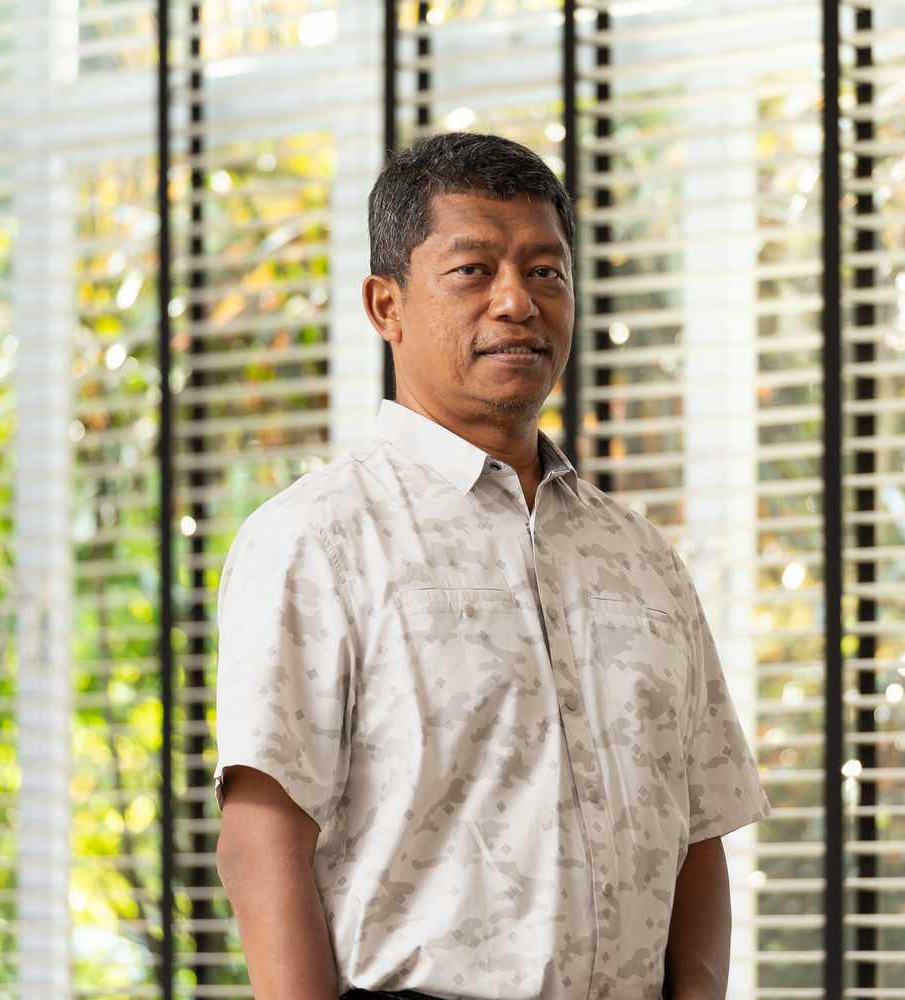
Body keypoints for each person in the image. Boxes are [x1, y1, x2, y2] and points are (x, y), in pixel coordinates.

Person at [213, 132, 769, 1000]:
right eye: (473, 271)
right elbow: (260, 844)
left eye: (547, 271)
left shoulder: (642, 559)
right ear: (385, 306)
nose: (518, 302)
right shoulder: (318, 539)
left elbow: (698, 832)